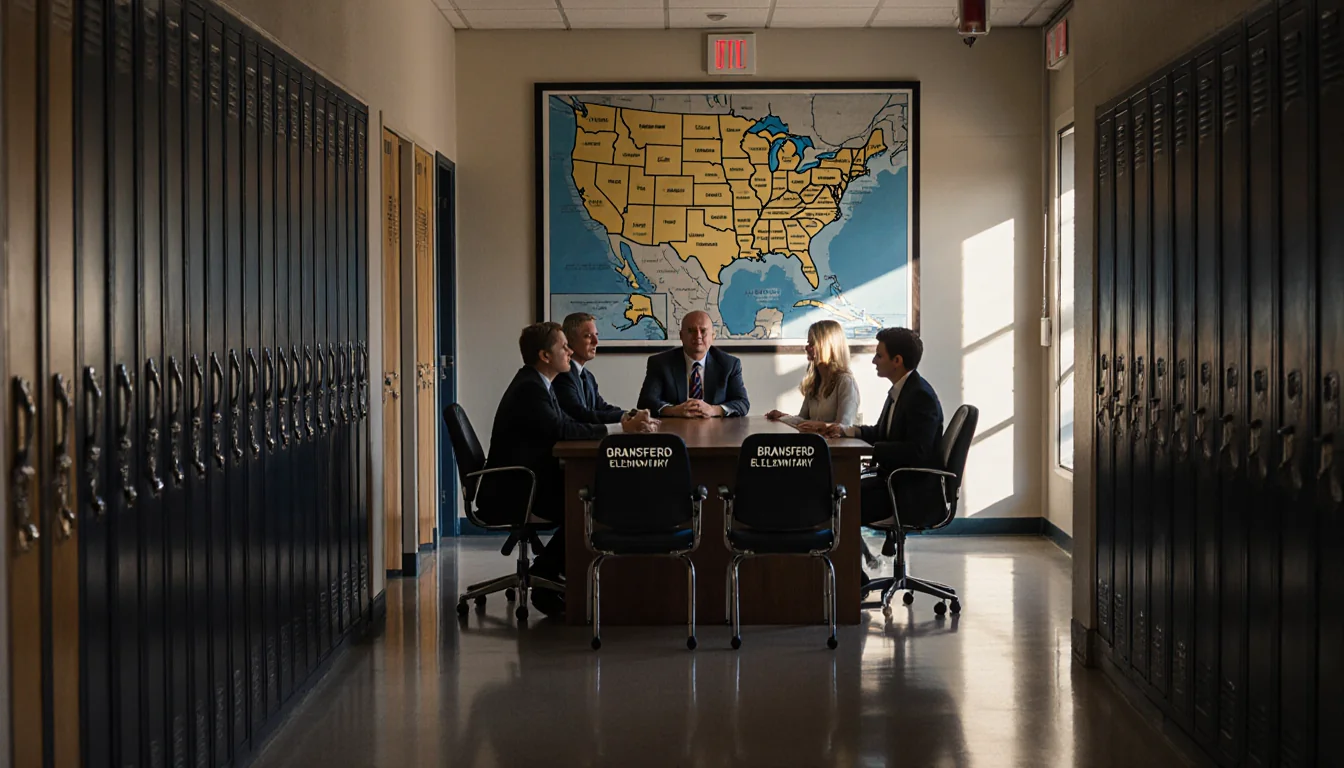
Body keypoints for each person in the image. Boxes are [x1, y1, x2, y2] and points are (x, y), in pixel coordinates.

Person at [477, 322, 658, 618]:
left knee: (592, 495)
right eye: (563, 346)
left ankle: (549, 572)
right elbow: (562, 428)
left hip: (526, 480)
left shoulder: (538, 383)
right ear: (545, 356)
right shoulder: (530, 389)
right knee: (591, 502)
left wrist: (620, 425)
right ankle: (548, 579)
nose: (570, 351)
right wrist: (620, 428)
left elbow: (566, 425)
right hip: (516, 489)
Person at [807, 327, 945, 531]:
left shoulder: (919, 396)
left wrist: (873, 450)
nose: (873, 361)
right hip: (891, 483)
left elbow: (918, 452)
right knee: (830, 494)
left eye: (879, 356)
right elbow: (881, 432)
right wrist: (843, 430)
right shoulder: (903, 390)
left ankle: (844, 560)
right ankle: (850, 559)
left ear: (897, 361)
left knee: (833, 501)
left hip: (907, 493)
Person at [637, 310, 750, 417]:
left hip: (716, 430)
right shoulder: (660, 363)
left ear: (713, 336)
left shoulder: (729, 364)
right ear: (681, 336)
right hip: (674, 430)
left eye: (703, 331)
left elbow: (742, 403)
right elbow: (645, 402)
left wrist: (713, 410)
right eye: (691, 331)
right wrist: (675, 411)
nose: (698, 336)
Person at [765, 319, 860, 430]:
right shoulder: (815, 382)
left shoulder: (846, 382)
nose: (806, 348)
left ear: (827, 346)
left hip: (835, 446)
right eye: (808, 343)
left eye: (812, 344)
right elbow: (803, 420)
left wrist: (821, 426)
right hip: (815, 444)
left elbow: (845, 427)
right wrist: (782, 417)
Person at [553, 312, 627, 424]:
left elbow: (601, 407)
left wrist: (631, 415)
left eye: (596, 335)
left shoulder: (587, 376)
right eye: (588, 336)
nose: (596, 342)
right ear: (570, 340)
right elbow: (580, 415)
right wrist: (623, 418)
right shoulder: (562, 375)